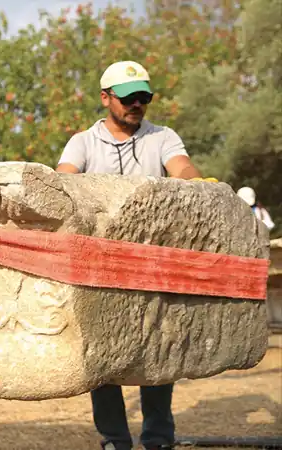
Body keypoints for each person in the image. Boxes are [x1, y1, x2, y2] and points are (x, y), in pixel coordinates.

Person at [56, 61, 211, 450]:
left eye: (144, 97)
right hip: (101, 264)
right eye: (128, 98)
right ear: (105, 98)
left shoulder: (163, 137)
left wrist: (199, 185)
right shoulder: (83, 142)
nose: (137, 104)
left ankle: (159, 439)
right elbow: (64, 179)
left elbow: (182, 168)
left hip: (154, 261)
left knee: (158, 345)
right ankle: (114, 439)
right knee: (103, 353)